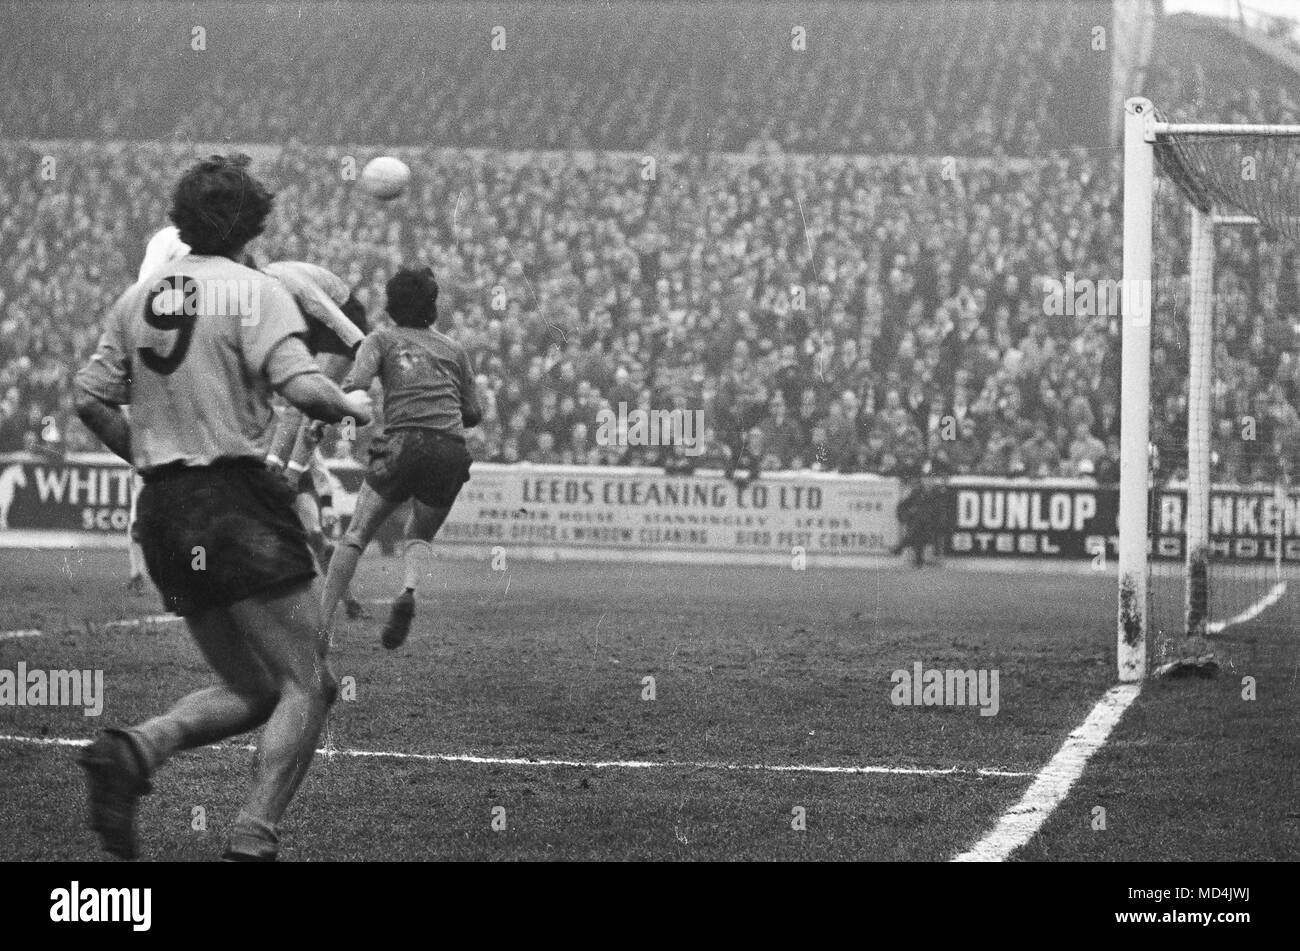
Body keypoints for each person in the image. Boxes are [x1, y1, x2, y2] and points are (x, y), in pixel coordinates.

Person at [72, 154, 372, 862]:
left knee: (256, 685)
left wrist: (147, 455)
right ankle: (252, 837)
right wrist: (353, 401)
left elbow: (89, 398)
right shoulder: (253, 289)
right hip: (235, 500)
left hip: (165, 515)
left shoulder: (137, 300)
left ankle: (137, 748)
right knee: (311, 681)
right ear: (254, 222)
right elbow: (304, 388)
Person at [320, 266, 482, 649]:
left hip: (403, 442)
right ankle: (408, 591)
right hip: (449, 449)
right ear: (433, 307)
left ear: (391, 306)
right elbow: (473, 414)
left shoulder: (381, 339)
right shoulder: (454, 349)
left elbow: (355, 385)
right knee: (418, 534)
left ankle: (322, 626)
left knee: (356, 535)